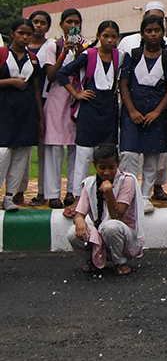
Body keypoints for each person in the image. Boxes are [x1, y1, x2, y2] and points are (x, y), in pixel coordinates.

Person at [58, 20, 122, 219]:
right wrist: (76, 93)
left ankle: (108, 195)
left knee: (109, 155)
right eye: (106, 36)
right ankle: (78, 198)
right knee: (84, 155)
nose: (110, 40)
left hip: (109, 111)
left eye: (113, 36)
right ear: (98, 35)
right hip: (89, 110)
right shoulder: (89, 54)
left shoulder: (120, 56)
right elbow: (62, 73)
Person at [116, 1, 167, 203]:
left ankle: (144, 196)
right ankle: (128, 196)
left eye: (157, 30)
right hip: (132, 114)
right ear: (142, 34)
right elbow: (123, 84)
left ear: (163, 33)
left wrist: (157, 112)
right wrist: (131, 111)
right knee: (129, 156)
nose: (153, 34)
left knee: (152, 158)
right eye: (149, 30)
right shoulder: (132, 56)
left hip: (157, 116)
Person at [67, 144, 143, 276]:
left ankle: (119, 261)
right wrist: (79, 221)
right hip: (101, 232)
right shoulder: (89, 183)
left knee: (111, 226)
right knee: (72, 234)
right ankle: (92, 259)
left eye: (111, 167)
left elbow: (116, 215)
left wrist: (109, 193)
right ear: (94, 165)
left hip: (124, 237)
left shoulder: (127, 180)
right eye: (102, 168)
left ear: (118, 163)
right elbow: (79, 214)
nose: (106, 172)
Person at [42, 9, 85, 210]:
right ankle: (52, 193)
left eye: (76, 22)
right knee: (54, 148)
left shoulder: (86, 45)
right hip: (57, 98)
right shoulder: (53, 45)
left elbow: (84, 70)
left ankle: (71, 191)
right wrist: (64, 52)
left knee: (75, 148)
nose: (72, 25)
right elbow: (51, 75)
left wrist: (77, 52)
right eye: (69, 21)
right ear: (61, 24)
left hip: (77, 99)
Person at [0, 18, 45, 212]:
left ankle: (10, 196)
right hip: (4, 109)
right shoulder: (2, 54)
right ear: (12, 33)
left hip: (26, 112)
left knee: (22, 155)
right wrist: (10, 82)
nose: (25, 37)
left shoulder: (33, 58)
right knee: (3, 153)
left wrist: (40, 117)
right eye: (21, 33)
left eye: (28, 34)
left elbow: (36, 89)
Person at [18, 10, 53, 206]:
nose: (38, 25)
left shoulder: (51, 46)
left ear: (48, 27)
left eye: (42, 23)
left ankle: (42, 191)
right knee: (22, 149)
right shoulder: (17, 48)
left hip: (46, 100)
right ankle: (18, 190)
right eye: (35, 22)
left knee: (44, 149)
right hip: (20, 101)